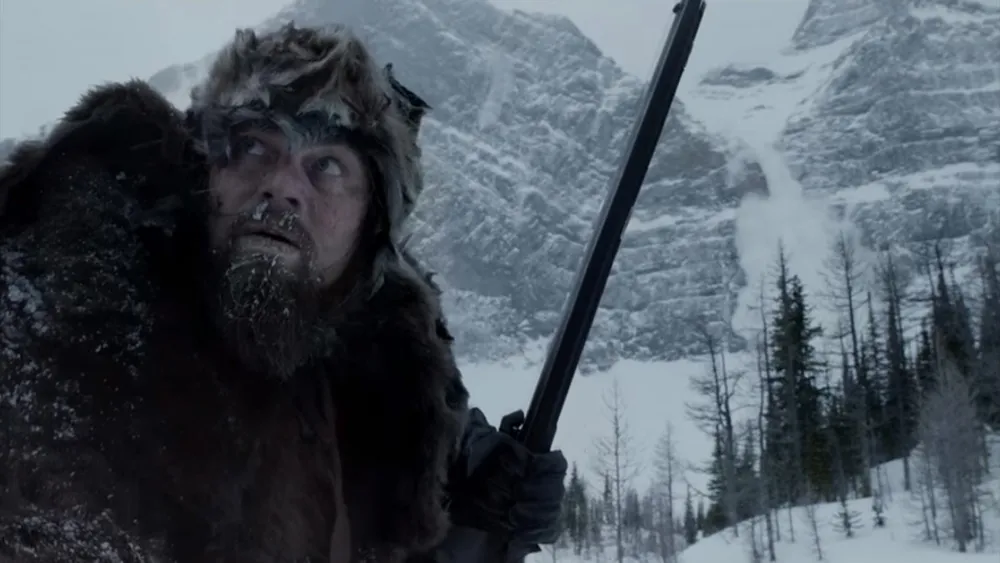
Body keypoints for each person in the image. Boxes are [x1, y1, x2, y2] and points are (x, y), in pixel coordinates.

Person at [0, 22, 565, 562]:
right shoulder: (68, 335)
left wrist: (469, 520)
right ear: (206, 178)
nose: (281, 185)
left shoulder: (383, 411)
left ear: (369, 227)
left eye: (327, 166)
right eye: (253, 148)